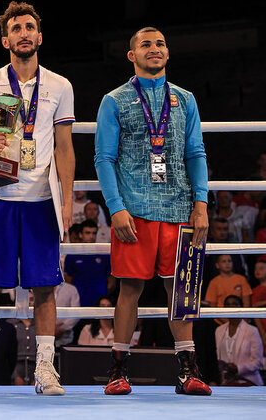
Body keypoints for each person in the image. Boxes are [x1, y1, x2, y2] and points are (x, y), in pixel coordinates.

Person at [0, 1, 75, 396]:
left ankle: (46, 369)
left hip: (43, 198)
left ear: (39, 36)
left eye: (30, 27)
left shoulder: (60, 86)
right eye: (16, 28)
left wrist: (67, 200)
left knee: (44, 286)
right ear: (5, 38)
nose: (24, 33)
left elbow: (64, 147)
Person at [95, 26, 212, 396]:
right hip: (135, 211)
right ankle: (117, 370)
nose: (154, 49)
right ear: (132, 55)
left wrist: (202, 204)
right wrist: (116, 209)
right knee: (129, 289)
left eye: (160, 43)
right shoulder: (114, 101)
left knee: (181, 289)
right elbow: (104, 158)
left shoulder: (186, 99)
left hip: (180, 209)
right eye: (146, 44)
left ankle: (187, 372)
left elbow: (196, 153)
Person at [214, 295, 264, 385]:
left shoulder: (252, 331)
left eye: (234, 304)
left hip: (249, 382)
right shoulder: (219, 330)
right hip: (226, 382)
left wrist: (238, 368)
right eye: (228, 305)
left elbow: (258, 362)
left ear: (241, 307)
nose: (231, 307)